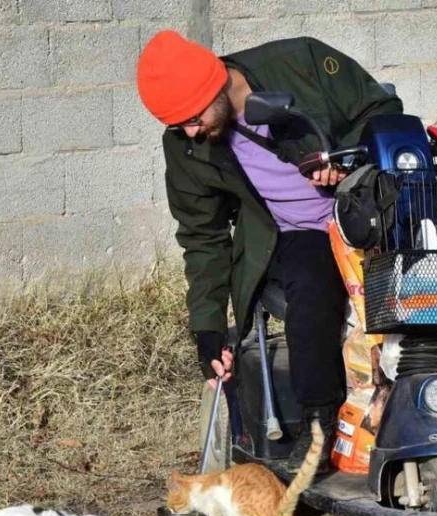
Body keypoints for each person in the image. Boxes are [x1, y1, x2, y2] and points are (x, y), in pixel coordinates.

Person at [134, 30, 405, 474]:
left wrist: (343, 160)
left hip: (370, 210)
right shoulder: (188, 144)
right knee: (313, 290)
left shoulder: (303, 62)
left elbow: (382, 111)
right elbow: (202, 236)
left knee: (433, 273)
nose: (189, 131)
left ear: (214, 86)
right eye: (176, 124)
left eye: (192, 116)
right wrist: (207, 328)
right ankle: (319, 426)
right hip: (299, 230)